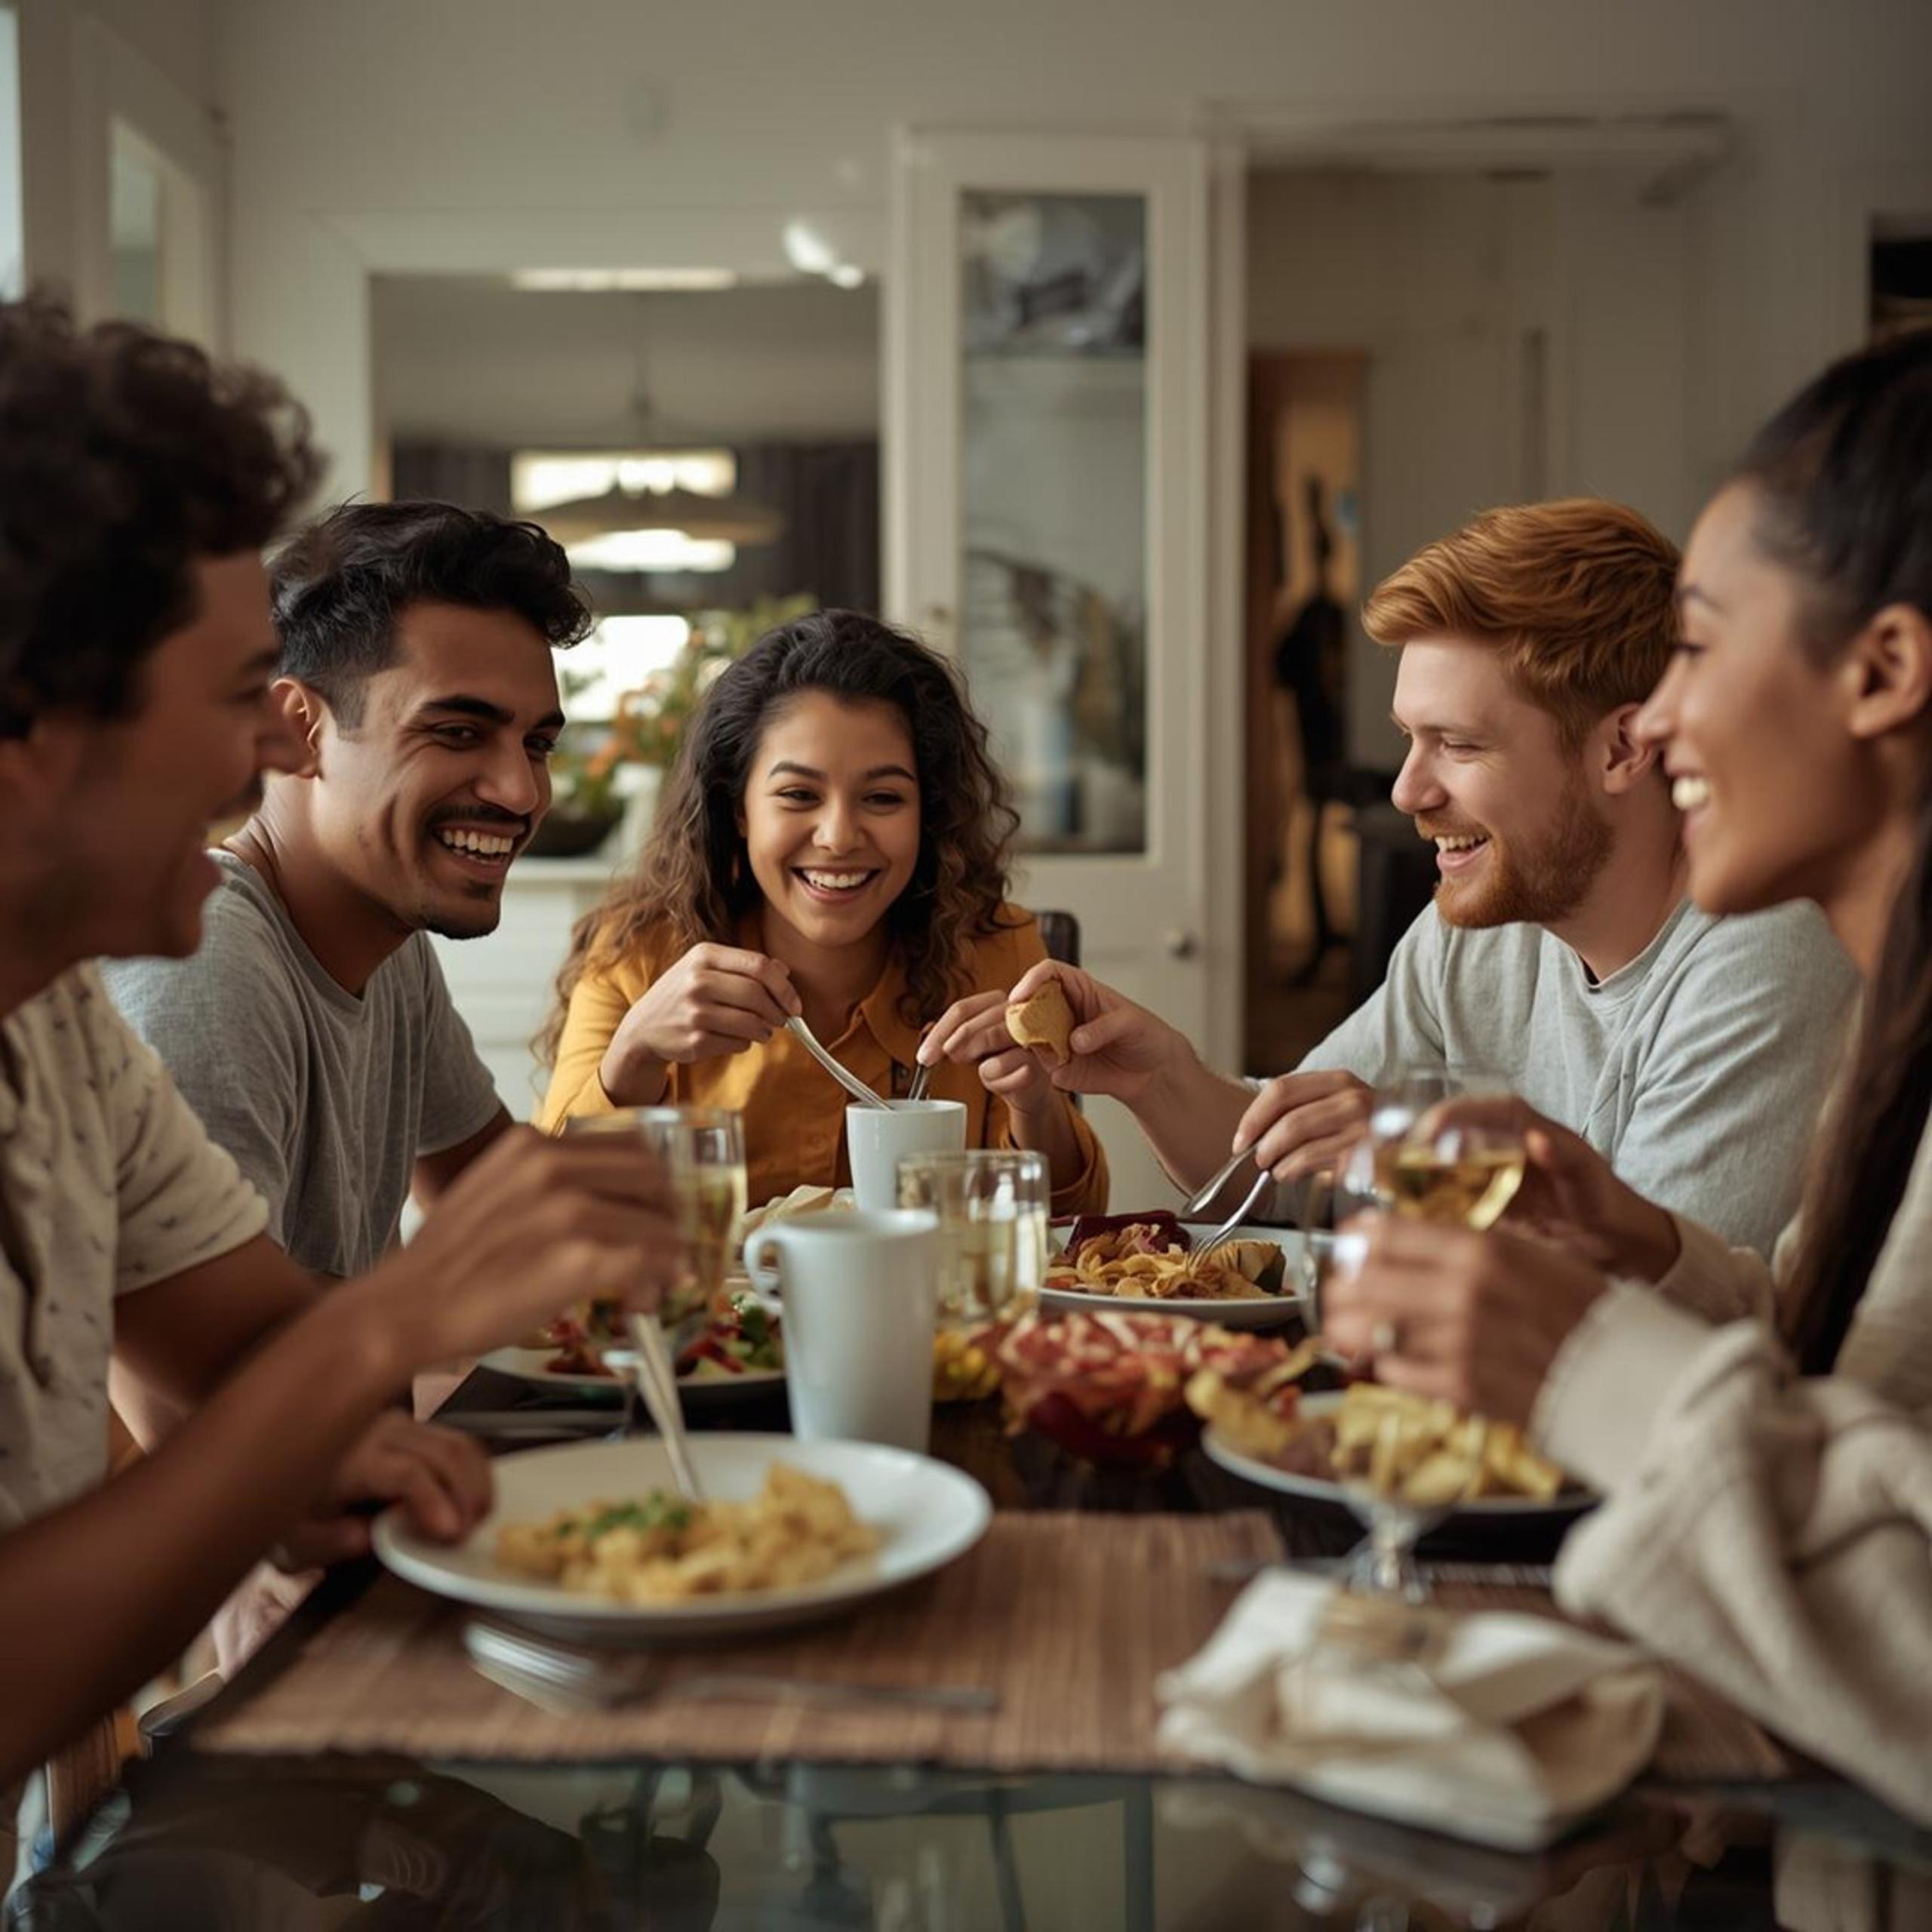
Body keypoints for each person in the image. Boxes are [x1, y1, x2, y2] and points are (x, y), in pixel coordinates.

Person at [0, 297, 675, 1810]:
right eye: (244, 697)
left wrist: (362, 1432)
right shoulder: (181, 981)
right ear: (44, 716)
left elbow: (255, 1358)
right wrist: (388, 1332)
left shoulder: (51, 1024)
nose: (271, 750)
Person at [1326, 330, 1932, 1826]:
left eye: (1701, 646)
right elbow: (1859, 1392)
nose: (1652, 722)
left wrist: (1584, 1354)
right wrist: (1645, 1248)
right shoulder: (1895, 1034)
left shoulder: (1794, 977)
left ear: (1882, 670)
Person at [1011, 500, 1857, 1257]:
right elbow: (1284, 1169)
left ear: (1622, 749)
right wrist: (1160, 1078)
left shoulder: (1762, 954)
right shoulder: (1482, 927)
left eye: (1458, 744)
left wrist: (1403, 1155)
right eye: (1410, 738)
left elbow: (1647, 1328)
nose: (1407, 790)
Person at [103, 500, 587, 1281]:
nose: (522, 791)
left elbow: (496, 1201)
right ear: (299, 727)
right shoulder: (207, 962)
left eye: (536, 744)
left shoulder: (389, 946)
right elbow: (199, 1395)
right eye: (458, 732)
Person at [538, 609, 1108, 1214]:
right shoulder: (636, 951)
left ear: (929, 814)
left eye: (883, 798)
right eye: (799, 796)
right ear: (739, 810)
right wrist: (635, 1055)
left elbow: (1076, 1229)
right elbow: (539, 1215)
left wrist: (1037, 1102)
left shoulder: (1000, 949)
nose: (838, 836)